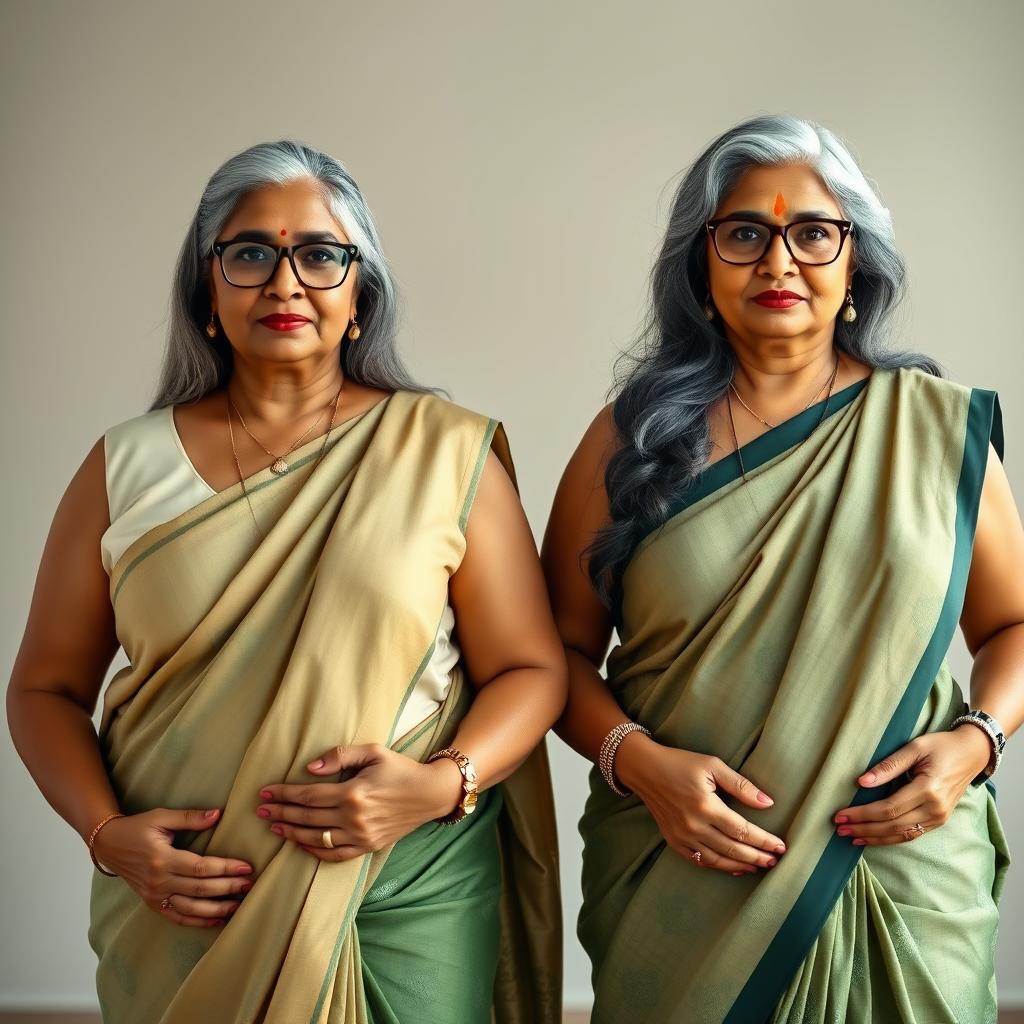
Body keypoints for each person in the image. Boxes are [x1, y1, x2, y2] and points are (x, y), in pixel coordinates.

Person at [7, 140, 565, 1024]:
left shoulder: (442, 453)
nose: (285, 281)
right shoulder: (125, 467)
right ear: (208, 292)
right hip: (183, 909)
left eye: (320, 254)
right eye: (250, 253)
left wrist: (438, 783)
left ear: (359, 296)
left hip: (401, 894)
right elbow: (43, 688)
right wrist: (110, 839)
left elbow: (533, 672)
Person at [542, 115, 1021, 1022]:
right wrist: (639, 765)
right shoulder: (631, 442)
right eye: (744, 235)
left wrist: (975, 745)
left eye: (811, 232)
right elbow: (549, 658)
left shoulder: (929, 430)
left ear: (855, 262)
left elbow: (1013, 627)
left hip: (899, 878)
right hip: (685, 874)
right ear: (701, 265)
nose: (778, 262)